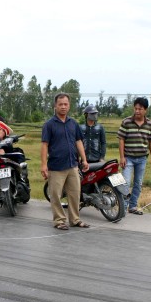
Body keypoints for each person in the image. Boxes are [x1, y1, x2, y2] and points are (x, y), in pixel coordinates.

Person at [41, 92, 90, 230]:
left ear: (69, 106)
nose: (63, 107)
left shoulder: (73, 123)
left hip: (72, 164)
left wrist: (84, 160)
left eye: (66, 104)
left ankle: (75, 219)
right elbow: (44, 144)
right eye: (60, 104)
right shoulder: (49, 125)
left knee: (75, 193)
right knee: (55, 195)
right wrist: (43, 165)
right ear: (55, 106)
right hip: (56, 166)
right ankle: (59, 220)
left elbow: (78, 141)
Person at [118, 97, 151, 215]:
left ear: (145, 110)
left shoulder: (150, 124)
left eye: (140, 109)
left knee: (138, 183)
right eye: (135, 108)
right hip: (128, 157)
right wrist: (122, 157)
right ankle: (123, 207)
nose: (137, 111)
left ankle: (133, 206)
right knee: (125, 183)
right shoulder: (126, 122)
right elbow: (121, 139)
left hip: (142, 158)